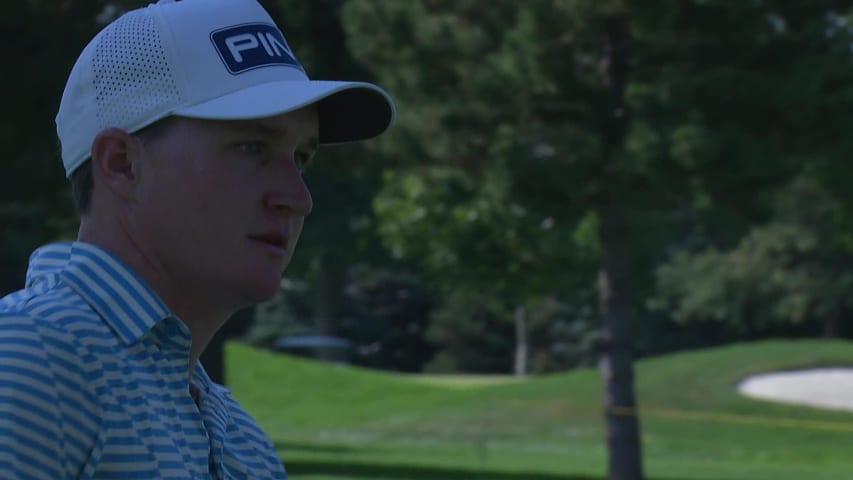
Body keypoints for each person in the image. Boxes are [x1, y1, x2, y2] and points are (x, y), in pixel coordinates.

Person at [0, 0, 394, 478]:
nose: (297, 197)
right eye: (251, 147)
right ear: (121, 163)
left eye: (301, 158)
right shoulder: (27, 357)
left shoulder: (244, 442)